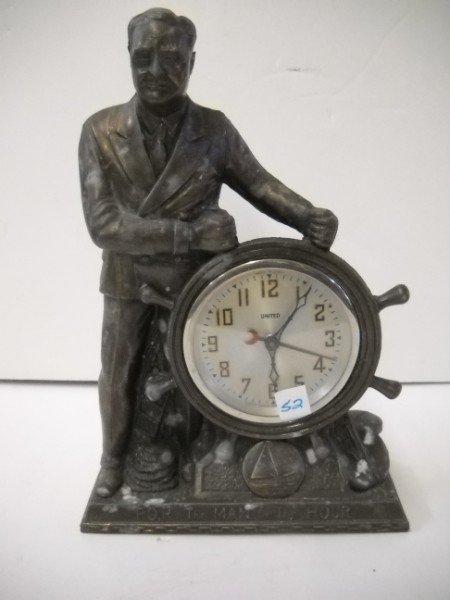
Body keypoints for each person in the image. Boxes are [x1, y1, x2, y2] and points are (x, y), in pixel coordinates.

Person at [79, 7, 338, 497]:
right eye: (143, 57)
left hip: (199, 284)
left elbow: (258, 183)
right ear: (128, 57)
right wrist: (189, 235)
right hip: (129, 279)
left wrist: (307, 216)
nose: (157, 71)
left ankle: (204, 454)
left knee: (216, 371)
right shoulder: (99, 130)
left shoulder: (213, 129)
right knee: (119, 371)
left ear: (192, 62)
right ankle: (112, 459)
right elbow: (104, 224)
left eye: (173, 59)